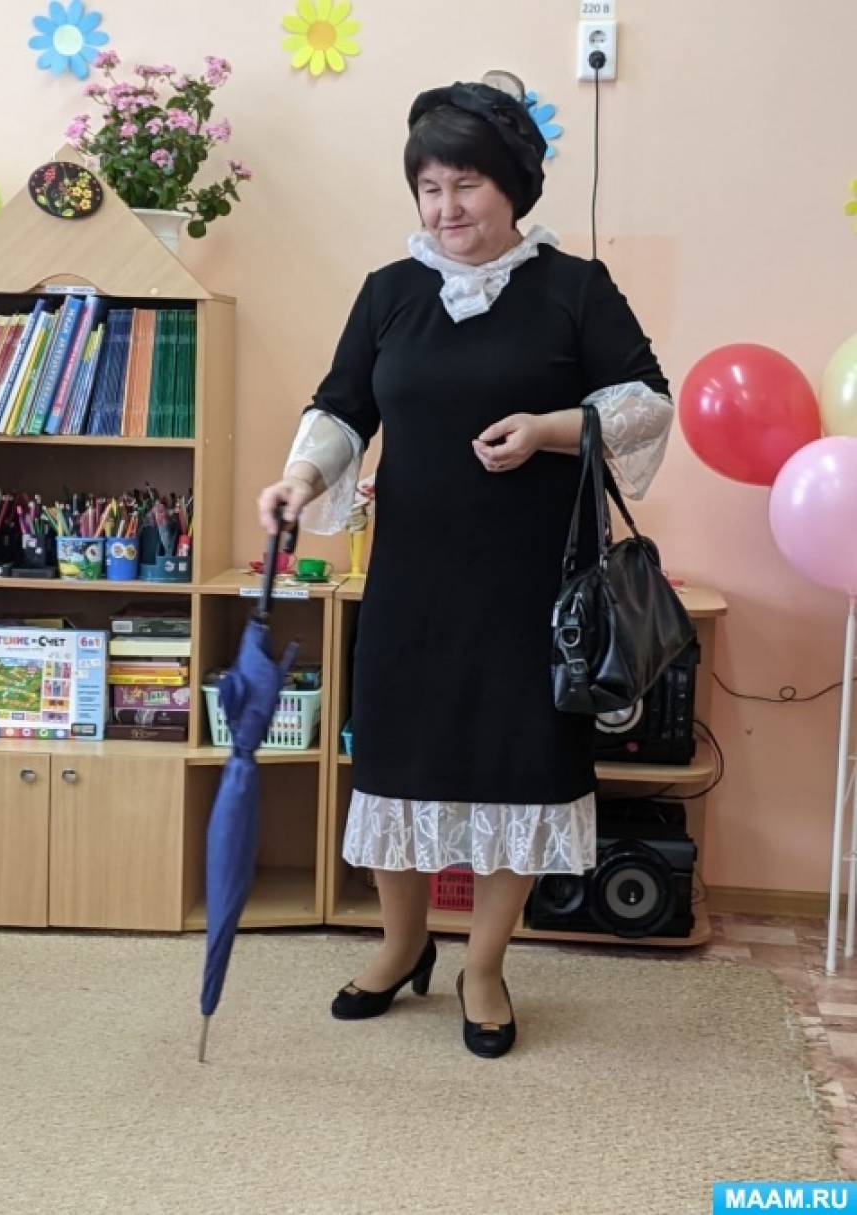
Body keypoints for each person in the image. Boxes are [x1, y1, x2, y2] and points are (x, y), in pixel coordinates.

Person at [258, 74, 673, 1059]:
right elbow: (341, 409)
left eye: (466, 185)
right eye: (429, 188)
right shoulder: (388, 292)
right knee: (399, 762)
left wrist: (550, 428)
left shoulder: (575, 288)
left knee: (518, 771)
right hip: (412, 582)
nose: (446, 208)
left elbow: (645, 403)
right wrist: (297, 479)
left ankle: (482, 965)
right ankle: (402, 944)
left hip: (532, 589)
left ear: (512, 186)